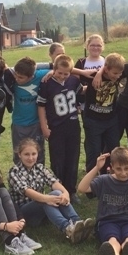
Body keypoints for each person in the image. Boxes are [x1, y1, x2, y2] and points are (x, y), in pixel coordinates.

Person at [8, 138, 94, 243]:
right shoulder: (14, 172)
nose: (30, 158)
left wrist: (65, 193)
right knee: (45, 200)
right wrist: (47, 198)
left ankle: (78, 223)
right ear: (19, 155)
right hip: (24, 213)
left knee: (57, 193)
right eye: (26, 154)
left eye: (33, 154)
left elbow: (54, 182)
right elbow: (26, 191)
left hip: (42, 210)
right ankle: (67, 228)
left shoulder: (40, 168)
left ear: (38, 154)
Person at [93, 40, 128, 172]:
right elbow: (110, 68)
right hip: (122, 108)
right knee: (113, 141)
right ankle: (105, 169)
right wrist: (99, 73)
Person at [37, 54, 83, 201]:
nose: (62, 76)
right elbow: (41, 106)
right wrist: (44, 127)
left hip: (73, 125)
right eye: (59, 73)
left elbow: (80, 95)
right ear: (54, 69)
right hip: (56, 128)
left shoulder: (74, 81)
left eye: (66, 74)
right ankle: (59, 189)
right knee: (57, 160)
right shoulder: (46, 83)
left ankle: (71, 190)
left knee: (73, 158)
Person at [82, 53, 125, 173]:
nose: (118, 76)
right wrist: (98, 73)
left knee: (113, 149)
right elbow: (70, 70)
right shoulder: (92, 76)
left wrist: (100, 71)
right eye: (115, 73)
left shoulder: (118, 72)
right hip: (93, 120)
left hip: (111, 120)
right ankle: (91, 178)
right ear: (107, 69)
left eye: (120, 73)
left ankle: (110, 174)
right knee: (94, 151)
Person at [75, 34, 105, 110]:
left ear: (102, 47)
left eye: (98, 45)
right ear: (87, 46)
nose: (95, 48)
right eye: (92, 45)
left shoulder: (106, 61)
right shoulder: (81, 62)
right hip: (86, 102)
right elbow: (74, 81)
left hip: (104, 101)